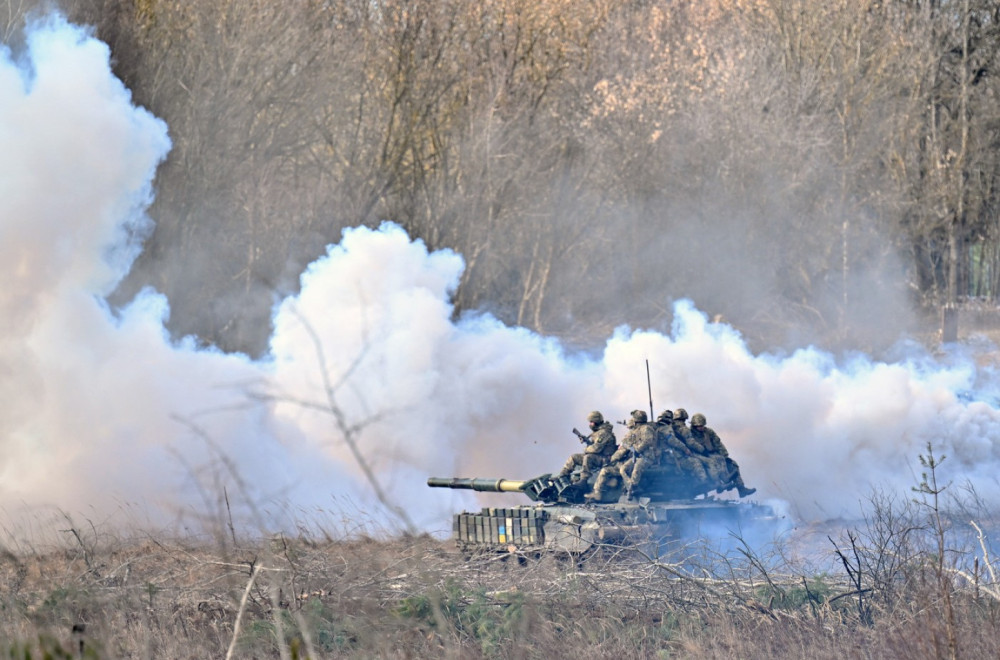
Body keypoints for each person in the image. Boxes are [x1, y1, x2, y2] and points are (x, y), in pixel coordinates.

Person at [587, 409, 660, 500]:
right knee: (622, 469)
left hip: (646, 456)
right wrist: (612, 460)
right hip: (635, 457)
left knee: (637, 468)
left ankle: (632, 488)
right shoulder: (633, 432)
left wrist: (637, 449)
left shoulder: (646, 428)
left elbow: (647, 441)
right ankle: (630, 486)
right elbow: (623, 447)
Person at [689, 413, 756, 497]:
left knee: (732, 464)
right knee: (714, 463)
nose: (701, 427)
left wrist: (725, 456)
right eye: (699, 426)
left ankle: (741, 488)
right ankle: (720, 484)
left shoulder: (708, 432)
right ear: (694, 426)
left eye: (702, 425)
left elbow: (718, 444)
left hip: (712, 453)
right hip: (700, 455)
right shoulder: (689, 433)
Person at [557, 411, 617, 482]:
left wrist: (586, 449)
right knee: (574, 457)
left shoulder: (604, 433)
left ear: (596, 422)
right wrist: (588, 442)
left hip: (605, 459)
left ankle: (583, 481)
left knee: (587, 457)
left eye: (591, 422)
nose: (590, 424)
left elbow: (596, 448)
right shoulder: (597, 432)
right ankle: (563, 475)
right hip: (597, 457)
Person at [655, 410, 709, 484]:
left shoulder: (657, 429)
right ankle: (704, 483)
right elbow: (672, 440)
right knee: (695, 462)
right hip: (670, 457)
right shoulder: (666, 429)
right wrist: (685, 449)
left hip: (662, 456)